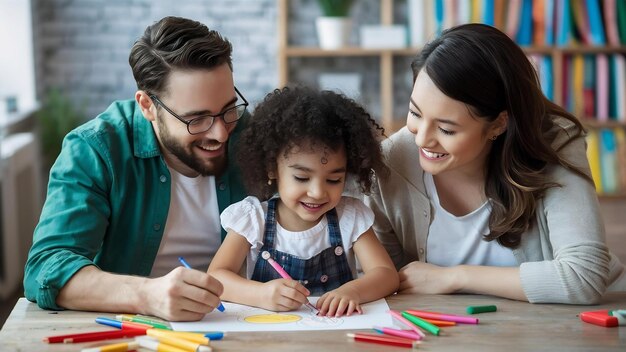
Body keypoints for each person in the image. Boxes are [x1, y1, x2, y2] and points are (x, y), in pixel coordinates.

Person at [364, 23, 625, 304]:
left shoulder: (553, 143)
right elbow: (384, 280)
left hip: (579, 325)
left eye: (447, 129)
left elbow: (584, 277)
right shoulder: (389, 163)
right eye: (415, 113)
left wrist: (453, 277)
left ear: (498, 124)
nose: (422, 139)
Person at [23, 16, 251, 321]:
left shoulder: (252, 136)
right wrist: (146, 296)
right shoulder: (95, 149)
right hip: (138, 329)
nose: (221, 133)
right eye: (196, 119)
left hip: (247, 323)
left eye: (227, 109)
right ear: (147, 106)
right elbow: (46, 267)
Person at [208, 86, 399, 317]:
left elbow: (386, 274)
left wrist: (353, 291)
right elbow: (217, 276)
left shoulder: (349, 216)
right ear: (271, 168)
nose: (318, 192)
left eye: (334, 179)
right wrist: (261, 295)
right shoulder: (252, 218)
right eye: (301, 177)